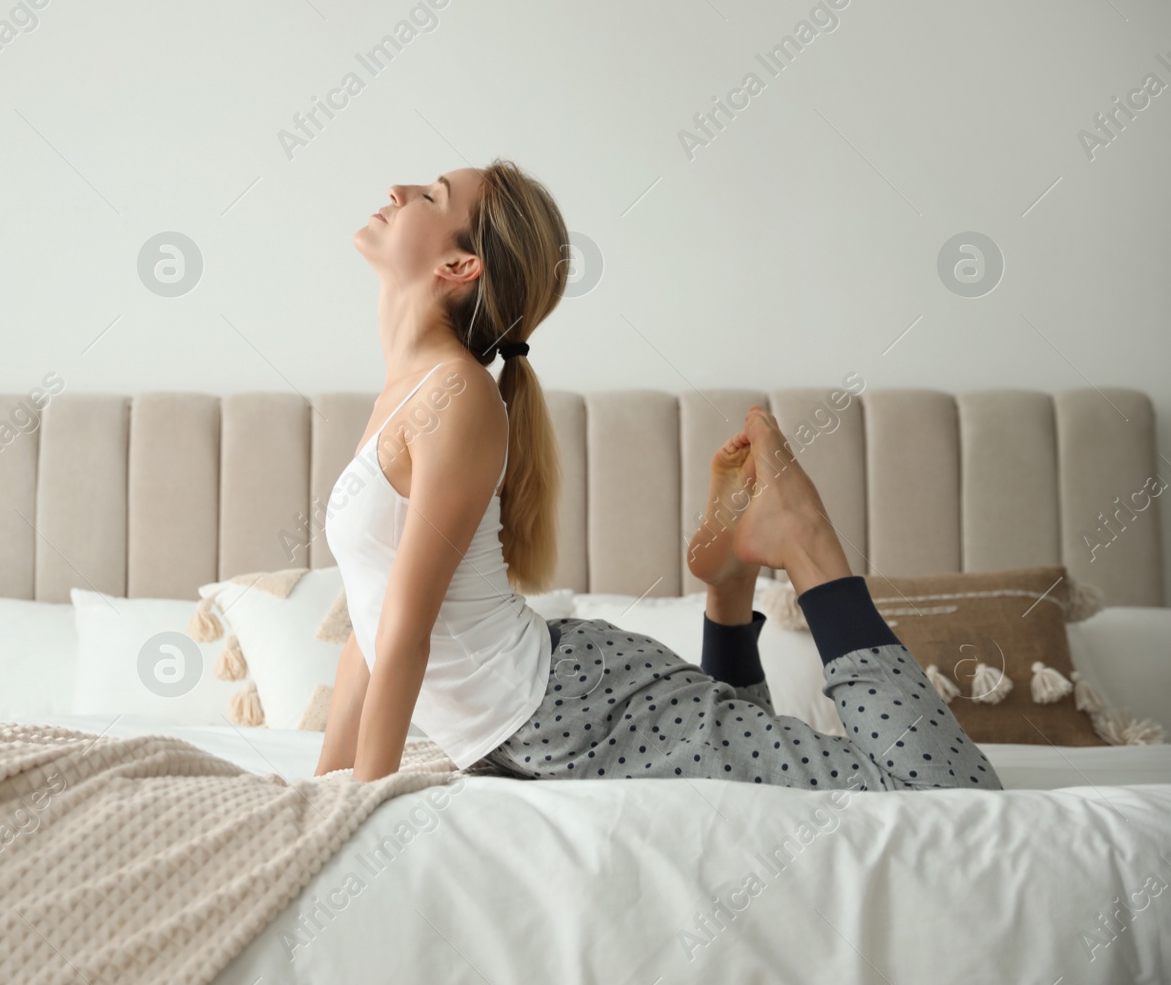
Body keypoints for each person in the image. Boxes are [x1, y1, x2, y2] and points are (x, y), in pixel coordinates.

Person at [314, 159, 1001, 793]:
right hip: (545, 721)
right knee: (762, 792)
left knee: (943, 794)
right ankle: (729, 590)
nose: (398, 192)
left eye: (431, 196)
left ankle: (803, 537)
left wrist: (365, 804)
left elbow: (408, 627)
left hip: (575, 710)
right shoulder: (402, 398)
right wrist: (322, 791)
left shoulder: (458, 393)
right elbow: (370, 630)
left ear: (460, 262)